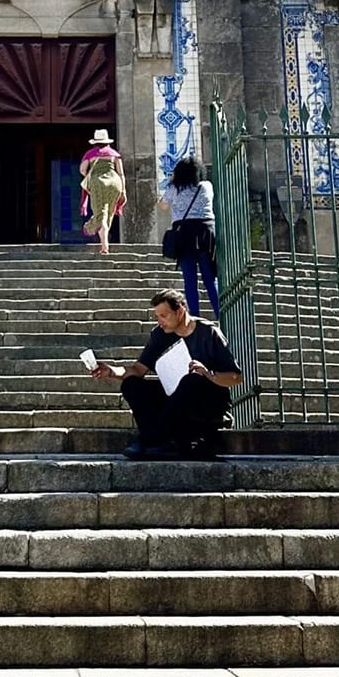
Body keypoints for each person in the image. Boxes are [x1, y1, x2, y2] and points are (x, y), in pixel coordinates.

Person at [91, 287, 242, 459]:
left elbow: (236, 377)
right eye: (157, 316)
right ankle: (164, 442)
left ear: (180, 311)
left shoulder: (208, 332)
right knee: (132, 384)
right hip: (173, 399)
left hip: (207, 403)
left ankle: (152, 440)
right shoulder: (160, 334)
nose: (160, 321)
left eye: (164, 315)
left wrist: (208, 374)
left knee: (191, 380)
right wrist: (111, 371)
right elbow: (138, 370)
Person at [159, 157, 219, 320]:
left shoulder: (175, 188)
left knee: (190, 279)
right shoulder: (206, 186)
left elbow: (162, 205)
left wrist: (172, 181)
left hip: (184, 233)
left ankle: (195, 317)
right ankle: (221, 312)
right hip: (205, 232)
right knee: (210, 276)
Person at [79, 127, 126, 254]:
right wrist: (123, 190)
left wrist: (92, 176)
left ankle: (104, 246)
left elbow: (82, 170)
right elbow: (121, 173)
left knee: (101, 213)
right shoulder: (114, 154)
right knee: (109, 213)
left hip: (98, 183)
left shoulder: (90, 154)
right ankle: (105, 239)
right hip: (115, 183)